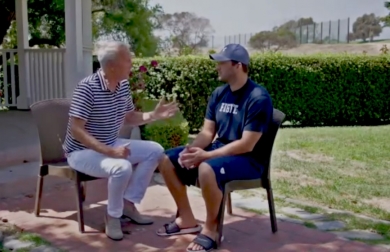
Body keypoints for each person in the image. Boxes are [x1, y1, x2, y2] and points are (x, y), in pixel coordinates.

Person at [156, 43, 274, 252]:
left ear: (238, 65)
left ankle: (211, 230)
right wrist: (190, 150)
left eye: (222, 62)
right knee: (166, 159)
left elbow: (247, 144)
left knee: (206, 167)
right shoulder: (219, 94)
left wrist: (207, 155)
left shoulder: (258, 97)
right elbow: (207, 133)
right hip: (221, 152)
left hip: (250, 160)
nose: (217, 66)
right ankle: (186, 219)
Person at [63, 41, 178, 241]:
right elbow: (76, 130)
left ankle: (128, 203)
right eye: (127, 59)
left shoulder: (122, 85)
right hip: (80, 152)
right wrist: (111, 152)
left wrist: (154, 115)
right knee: (122, 167)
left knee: (155, 150)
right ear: (112, 66)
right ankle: (112, 216)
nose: (132, 62)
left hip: (109, 143)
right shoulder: (87, 88)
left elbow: (129, 117)